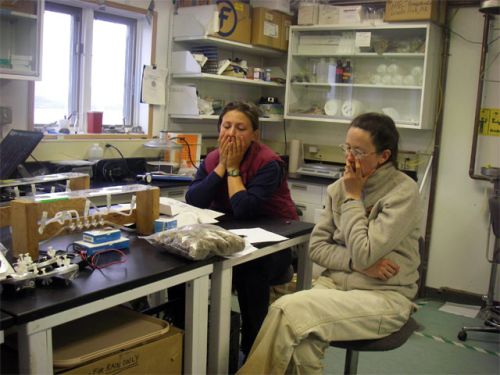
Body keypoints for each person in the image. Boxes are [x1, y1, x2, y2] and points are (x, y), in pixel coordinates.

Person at [237, 112, 422, 374]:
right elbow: (318, 248)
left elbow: (365, 252)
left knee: (286, 310)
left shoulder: (402, 192)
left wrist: (353, 198)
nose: (349, 158)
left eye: (358, 151)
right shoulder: (338, 188)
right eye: (347, 147)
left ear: (383, 156)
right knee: (300, 344)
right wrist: (356, 265)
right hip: (333, 285)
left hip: (385, 296)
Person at [181, 101, 299, 356]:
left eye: (241, 128)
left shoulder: (269, 163)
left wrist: (232, 168)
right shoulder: (212, 158)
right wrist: (222, 165)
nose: (232, 133)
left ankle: (253, 351)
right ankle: (189, 340)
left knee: (249, 272)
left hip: (274, 244)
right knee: (183, 267)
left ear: (255, 135)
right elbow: (194, 200)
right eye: (227, 126)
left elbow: (244, 209)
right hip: (231, 238)